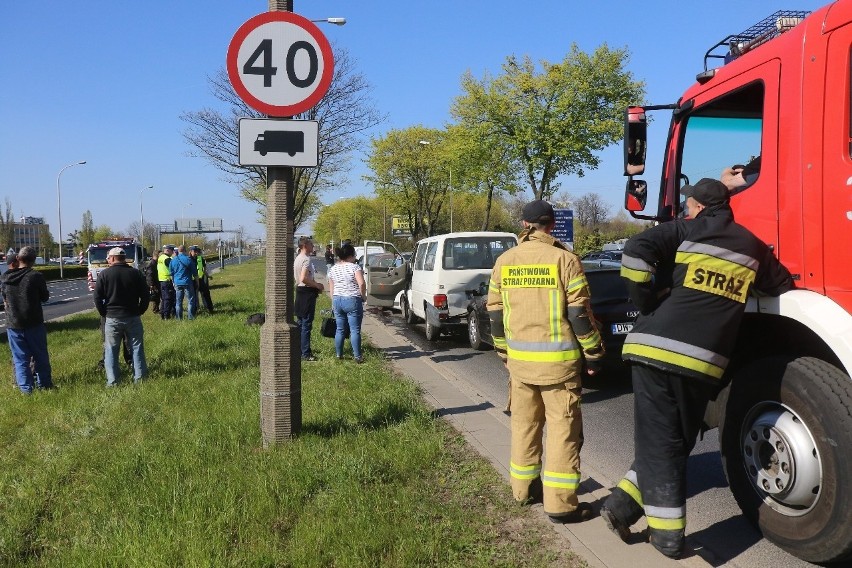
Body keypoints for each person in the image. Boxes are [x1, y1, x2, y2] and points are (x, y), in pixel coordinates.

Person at [600, 178, 793, 559]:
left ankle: (668, 537)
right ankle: (622, 507)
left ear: (700, 207)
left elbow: (637, 248)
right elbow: (780, 284)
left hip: (656, 350)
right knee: (675, 440)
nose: (685, 209)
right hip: (702, 363)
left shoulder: (688, 229)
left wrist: (647, 301)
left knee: (663, 441)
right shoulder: (751, 245)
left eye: (688, 204)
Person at [486, 200, 604, 523]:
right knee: (563, 433)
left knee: (524, 427)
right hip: (559, 369)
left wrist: (503, 353)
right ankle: (561, 505)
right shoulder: (565, 261)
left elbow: (495, 316)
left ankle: (523, 491)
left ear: (524, 225)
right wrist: (593, 354)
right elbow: (580, 315)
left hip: (520, 368)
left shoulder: (504, 262)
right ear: (551, 225)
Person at [1, 246, 53, 394]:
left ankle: (25, 389)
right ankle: (44, 384)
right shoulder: (35, 276)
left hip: (13, 323)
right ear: (34, 260)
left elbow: (5, 299)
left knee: (20, 358)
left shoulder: (5, 277)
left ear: (18, 258)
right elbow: (45, 297)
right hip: (33, 322)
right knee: (40, 355)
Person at [94, 247, 149, 386]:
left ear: (112, 258)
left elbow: (97, 297)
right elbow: (145, 295)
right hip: (132, 316)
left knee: (111, 350)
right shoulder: (135, 274)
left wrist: (104, 313)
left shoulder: (104, 274)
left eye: (108, 258)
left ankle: (113, 381)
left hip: (112, 317)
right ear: (124, 258)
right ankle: (140, 379)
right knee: (136, 348)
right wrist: (140, 310)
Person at [326, 243, 366, 363]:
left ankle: (339, 354)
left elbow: (331, 286)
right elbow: (362, 284)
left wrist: (333, 301)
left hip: (338, 299)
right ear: (351, 255)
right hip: (352, 299)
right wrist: (363, 296)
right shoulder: (355, 267)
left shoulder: (333, 268)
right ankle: (357, 356)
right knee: (355, 330)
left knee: (340, 329)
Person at [294, 236, 324, 361]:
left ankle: (299, 349)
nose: (313, 247)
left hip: (300, 292)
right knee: (306, 324)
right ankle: (305, 353)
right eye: (311, 245)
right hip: (306, 293)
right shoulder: (306, 260)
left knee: (300, 323)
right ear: (305, 246)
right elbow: (304, 278)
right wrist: (317, 285)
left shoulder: (297, 259)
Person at [169, 244, 198, 320]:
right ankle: (190, 317)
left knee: (178, 302)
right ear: (185, 251)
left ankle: (179, 318)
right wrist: (197, 282)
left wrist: (173, 283)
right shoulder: (188, 260)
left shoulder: (173, 260)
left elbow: (171, 274)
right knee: (190, 300)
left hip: (177, 283)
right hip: (187, 282)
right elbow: (195, 273)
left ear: (178, 251)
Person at [189, 246, 214, 315]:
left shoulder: (201, 259)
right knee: (194, 296)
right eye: (194, 251)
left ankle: (209, 309)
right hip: (193, 280)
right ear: (190, 252)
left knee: (205, 294)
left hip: (201, 279)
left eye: (197, 251)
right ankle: (196, 310)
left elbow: (204, 269)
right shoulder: (188, 260)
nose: (196, 253)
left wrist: (208, 276)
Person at [157, 245, 175, 319]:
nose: (172, 253)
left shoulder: (161, 257)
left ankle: (162, 314)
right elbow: (174, 267)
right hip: (167, 280)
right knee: (168, 298)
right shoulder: (167, 259)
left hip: (162, 280)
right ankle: (166, 315)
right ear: (168, 250)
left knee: (164, 299)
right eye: (172, 251)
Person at [146, 250, 161, 315]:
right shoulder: (151, 263)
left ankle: (156, 309)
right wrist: (151, 285)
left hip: (156, 282)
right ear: (157, 255)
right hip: (154, 283)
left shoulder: (155, 262)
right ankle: (155, 310)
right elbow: (149, 275)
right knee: (155, 297)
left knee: (157, 297)